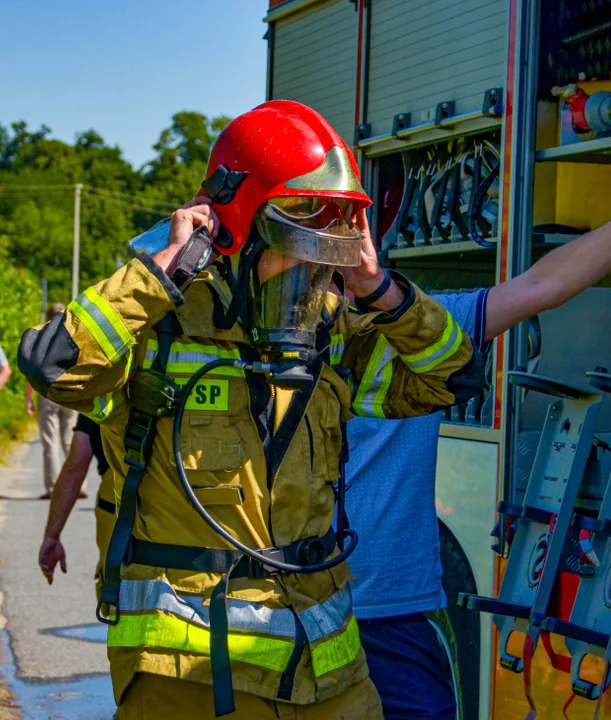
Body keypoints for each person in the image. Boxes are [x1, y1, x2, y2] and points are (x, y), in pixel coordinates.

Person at [19, 100, 478, 720]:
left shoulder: (327, 331)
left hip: (330, 676)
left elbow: (448, 377)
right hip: (189, 676)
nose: (310, 279)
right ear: (231, 235)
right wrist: (160, 275)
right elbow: (54, 363)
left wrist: (379, 288)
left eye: (322, 257)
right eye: (291, 252)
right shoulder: (156, 331)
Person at [346, 120, 611, 718]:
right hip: (299, 609)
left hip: (393, 615)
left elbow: (544, 283)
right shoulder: (267, 340)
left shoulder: (421, 324)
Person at [38, 414, 111, 585]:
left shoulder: (104, 392)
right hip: (180, 511)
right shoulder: (185, 393)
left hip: (119, 512)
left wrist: (52, 534)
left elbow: (75, 467)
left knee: (123, 594)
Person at [26, 303, 80, 500]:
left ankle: (53, 488)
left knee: (50, 442)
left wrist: (28, 399)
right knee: (69, 439)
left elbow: (31, 369)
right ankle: (78, 486)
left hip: (47, 392)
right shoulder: (74, 337)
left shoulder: (39, 337)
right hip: (69, 392)